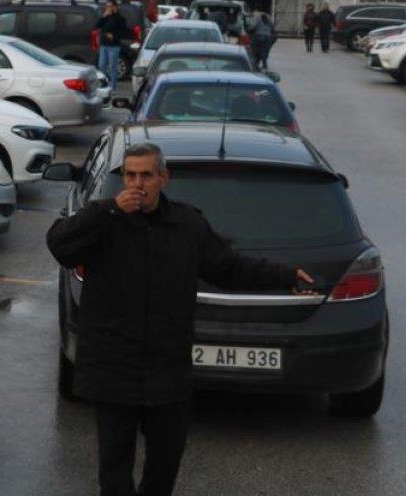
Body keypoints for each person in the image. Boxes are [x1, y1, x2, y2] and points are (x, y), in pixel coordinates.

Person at [46, 143, 313, 496]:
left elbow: (229, 268)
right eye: (130, 175)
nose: (137, 183)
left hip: (166, 369)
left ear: (164, 178)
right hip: (113, 369)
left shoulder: (186, 224)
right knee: (114, 468)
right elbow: (59, 245)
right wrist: (109, 211)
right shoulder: (103, 220)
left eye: (146, 175)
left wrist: (285, 277)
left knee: (165, 463)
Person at [96, 0, 127, 86]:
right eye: (106, 6)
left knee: (112, 66)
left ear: (115, 7)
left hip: (114, 46)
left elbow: (123, 32)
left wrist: (113, 36)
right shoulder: (106, 17)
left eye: (109, 6)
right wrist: (103, 16)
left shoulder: (120, 18)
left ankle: (112, 86)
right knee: (101, 66)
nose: (107, 8)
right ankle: (103, 84)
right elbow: (97, 26)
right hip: (104, 45)